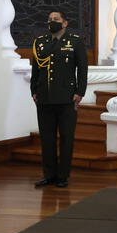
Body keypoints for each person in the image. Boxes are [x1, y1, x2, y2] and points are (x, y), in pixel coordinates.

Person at [31, 11, 87, 188]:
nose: (51, 22)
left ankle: (63, 176)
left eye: (55, 20)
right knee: (46, 139)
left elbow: (82, 69)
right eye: (49, 20)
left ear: (64, 23)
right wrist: (33, 90)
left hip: (67, 98)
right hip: (44, 97)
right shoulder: (40, 43)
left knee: (66, 138)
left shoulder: (75, 41)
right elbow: (36, 71)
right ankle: (49, 175)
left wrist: (80, 92)